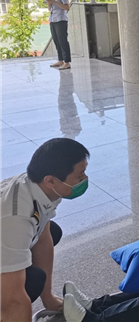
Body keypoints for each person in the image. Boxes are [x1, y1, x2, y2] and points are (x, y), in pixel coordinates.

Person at [1, 138, 90, 322]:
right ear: (50, 180)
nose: (85, 179)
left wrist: (47, 297)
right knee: (32, 281)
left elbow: (43, 239)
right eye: (80, 175)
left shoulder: (41, 188)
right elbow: (13, 301)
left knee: (53, 231)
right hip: (7, 234)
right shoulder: (15, 220)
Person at [43, 0, 72, 70]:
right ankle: (60, 60)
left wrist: (55, 2)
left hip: (61, 19)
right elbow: (49, 9)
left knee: (63, 40)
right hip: (53, 19)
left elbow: (67, 8)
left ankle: (67, 62)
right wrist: (49, 3)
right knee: (56, 40)